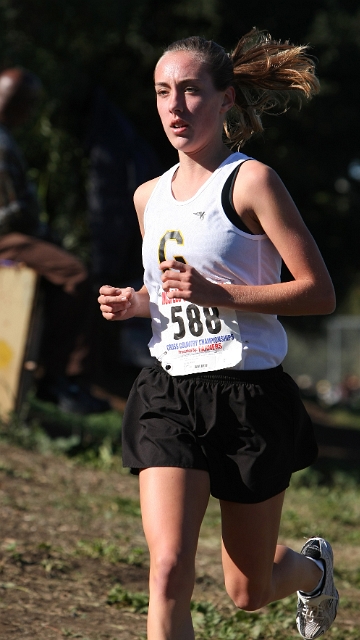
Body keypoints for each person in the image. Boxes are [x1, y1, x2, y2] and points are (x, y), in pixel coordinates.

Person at [98, 29, 338, 640]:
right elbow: (175, 288)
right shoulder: (148, 197)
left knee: (247, 592)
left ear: (226, 98)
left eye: (190, 92)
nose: (175, 108)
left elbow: (317, 292)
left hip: (247, 399)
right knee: (169, 567)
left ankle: (310, 573)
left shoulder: (251, 182)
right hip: (168, 392)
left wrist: (219, 295)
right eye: (162, 93)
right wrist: (138, 302)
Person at [0, 67, 109, 413]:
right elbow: (13, 211)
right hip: (6, 237)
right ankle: (58, 379)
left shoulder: (5, 137)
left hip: (14, 234)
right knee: (75, 274)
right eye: (26, 105)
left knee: (72, 271)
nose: (28, 114)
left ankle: (65, 375)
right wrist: (42, 231)